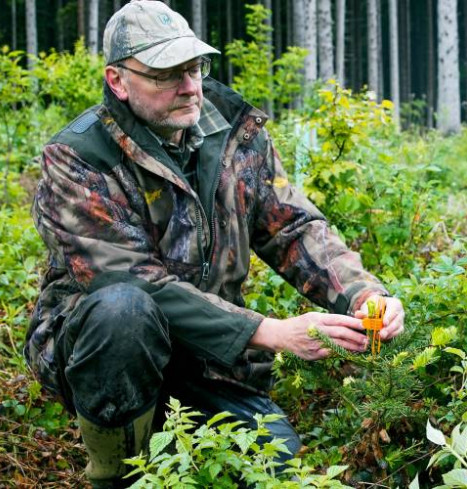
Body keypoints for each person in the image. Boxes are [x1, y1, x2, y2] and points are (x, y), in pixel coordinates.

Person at [24, 1, 405, 487]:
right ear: (118, 81)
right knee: (124, 310)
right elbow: (132, 280)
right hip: (108, 345)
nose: (189, 86)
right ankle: (115, 475)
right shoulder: (78, 157)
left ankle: (180, 424)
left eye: (194, 67)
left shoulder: (230, 131)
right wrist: (266, 331)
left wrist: (363, 293)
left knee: (274, 466)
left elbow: (292, 225)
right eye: (166, 74)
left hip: (210, 355)